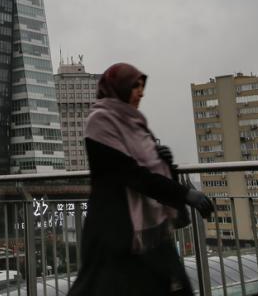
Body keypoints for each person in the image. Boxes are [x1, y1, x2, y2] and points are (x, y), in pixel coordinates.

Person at [68, 62, 215, 296]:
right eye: (134, 86)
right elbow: (131, 173)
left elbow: (150, 171)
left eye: (141, 86)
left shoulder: (136, 124)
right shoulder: (100, 123)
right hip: (116, 231)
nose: (141, 92)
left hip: (149, 230)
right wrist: (185, 193)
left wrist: (164, 162)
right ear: (118, 88)